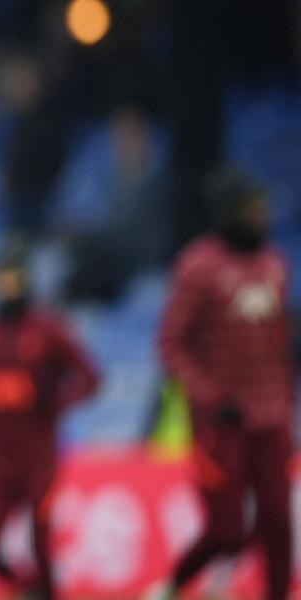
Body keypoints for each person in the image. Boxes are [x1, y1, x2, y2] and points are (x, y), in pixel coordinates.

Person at [150, 168, 295, 600]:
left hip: (271, 415)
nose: (262, 217)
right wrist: (210, 396)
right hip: (222, 420)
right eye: (253, 210)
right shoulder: (199, 266)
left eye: (264, 209)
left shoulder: (274, 265)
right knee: (227, 528)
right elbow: (171, 344)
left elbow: (280, 341)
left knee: (277, 518)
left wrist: (288, 396)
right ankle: (173, 586)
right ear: (230, 214)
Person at [0, 245, 99, 600]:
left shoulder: (48, 330)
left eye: (12, 281)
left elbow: (90, 378)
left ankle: (48, 593)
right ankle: (26, 588)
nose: (5, 288)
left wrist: (56, 404)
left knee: (41, 536)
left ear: (26, 282)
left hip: (39, 455)